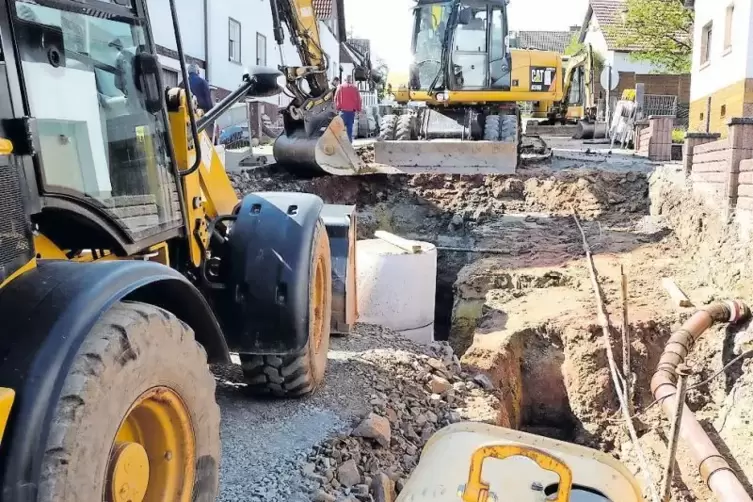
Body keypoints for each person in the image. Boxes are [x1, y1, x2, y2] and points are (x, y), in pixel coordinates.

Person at [182, 63, 216, 142]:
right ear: (197, 71)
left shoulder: (183, 83)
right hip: (201, 116)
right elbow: (208, 100)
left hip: (186, 118)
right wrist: (212, 116)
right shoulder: (202, 83)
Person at [334, 75, 362, 142]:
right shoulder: (355, 88)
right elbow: (359, 100)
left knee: (340, 129)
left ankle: (340, 144)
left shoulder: (340, 87)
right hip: (351, 112)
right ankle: (349, 144)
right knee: (349, 129)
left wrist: (336, 109)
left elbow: (336, 98)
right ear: (351, 80)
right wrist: (359, 110)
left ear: (345, 79)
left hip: (342, 112)